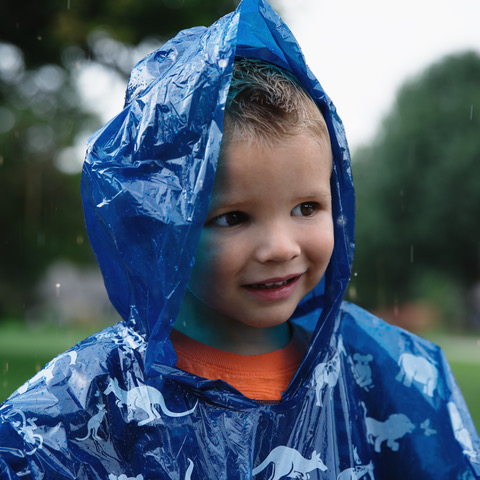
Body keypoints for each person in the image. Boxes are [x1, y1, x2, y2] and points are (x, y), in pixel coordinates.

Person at [0, 0, 479, 478]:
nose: (281, 248)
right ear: (166, 226)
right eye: (233, 218)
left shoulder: (390, 376)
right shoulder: (89, 410)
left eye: (306, 208)